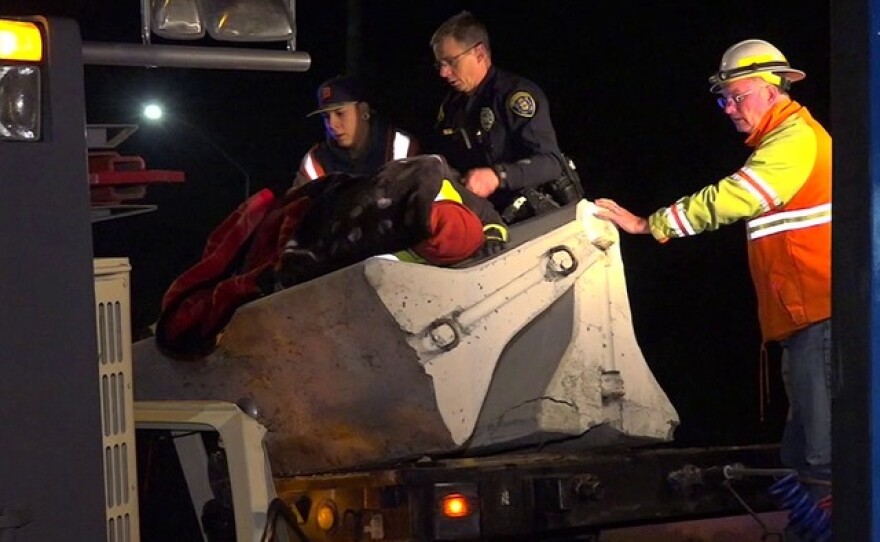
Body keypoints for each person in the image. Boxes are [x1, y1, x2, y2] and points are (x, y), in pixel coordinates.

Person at [595, 38, 832, 528]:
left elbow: (734, 197)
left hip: (821, 317)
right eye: (722, 99)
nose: (728, 108)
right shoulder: (785, 140)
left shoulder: (794, 140)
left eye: (736, 95)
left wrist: (651, 224)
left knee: (819, 459)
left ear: (771, 90)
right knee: (803, 452)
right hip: (804, 320)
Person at [429, 11, 577, 219]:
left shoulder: (514, 96)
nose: (444, 73)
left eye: (451, 62)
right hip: (486, 221)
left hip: (535, 218)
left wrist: (498, 176)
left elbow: (551, 162)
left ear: (479, 53)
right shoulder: (452, 107)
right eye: (439, 65)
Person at [293, 74, 419, 188]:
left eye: (340, 113)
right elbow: (297, 208)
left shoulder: (400, 147)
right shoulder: (315, 162)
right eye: (326, 117)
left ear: (363, 110)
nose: (332, 124)